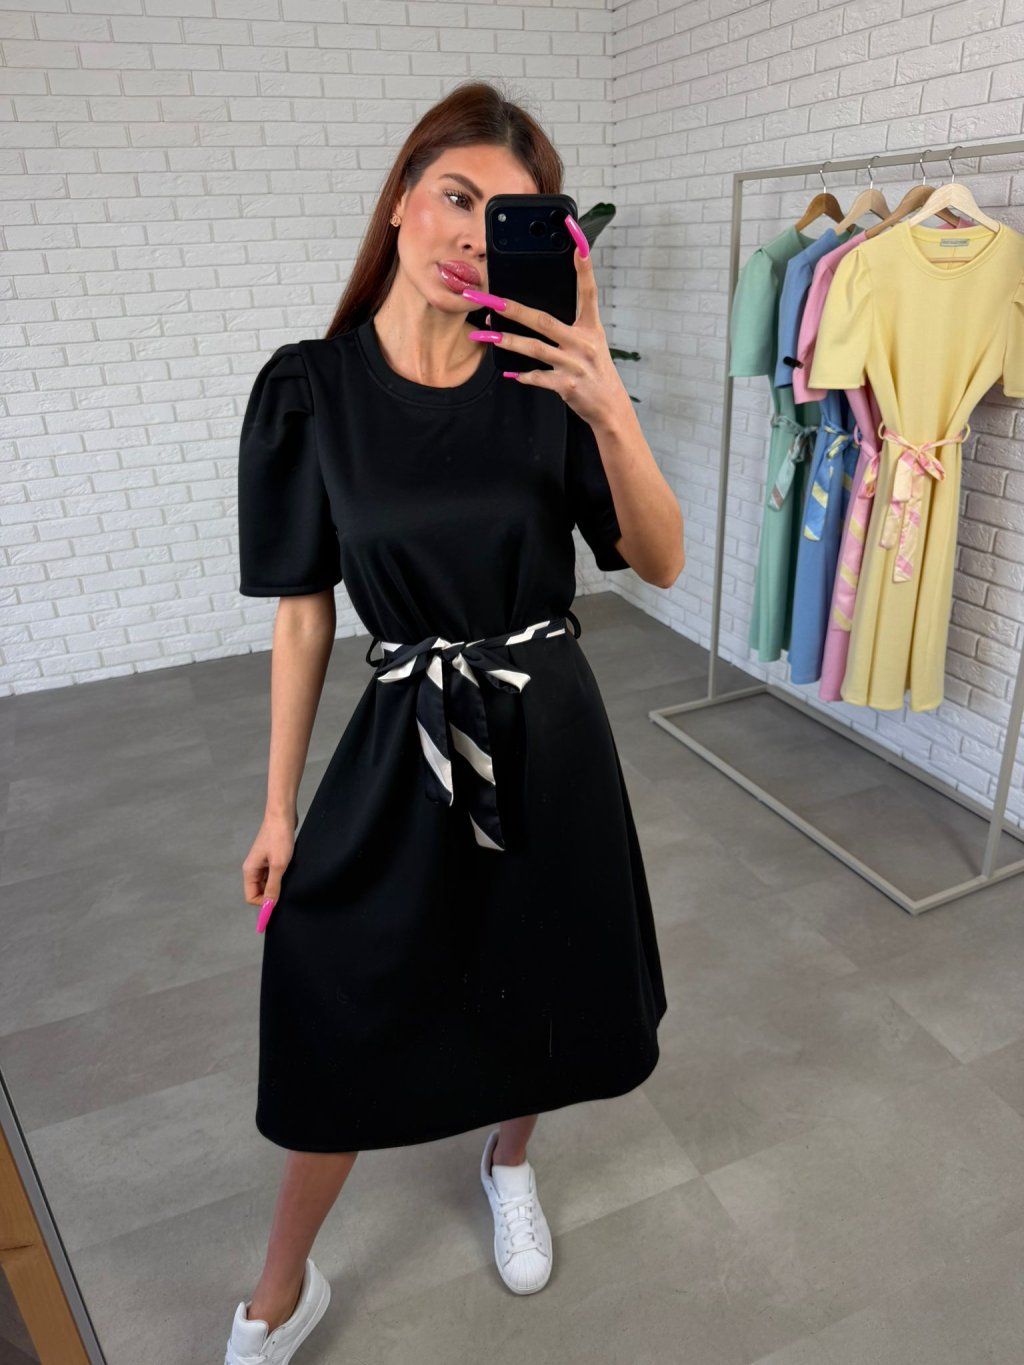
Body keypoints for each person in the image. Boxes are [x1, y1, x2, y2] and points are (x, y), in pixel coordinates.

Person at [224, 79, 684, 1365]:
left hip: (549, 731)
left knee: (546, 967)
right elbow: (304, 614)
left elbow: (657, 561)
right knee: (336, 989)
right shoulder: (309, 390)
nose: (473, 238)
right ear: (400, 198)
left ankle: (508, 1159)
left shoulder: (548, 382)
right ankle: (284, 1283)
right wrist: (277, 807)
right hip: (405, 732)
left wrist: (607, 405)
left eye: (508, 219)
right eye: (455, 197)